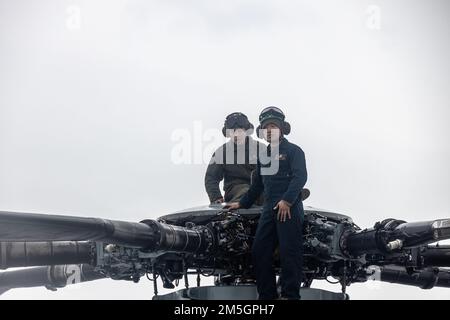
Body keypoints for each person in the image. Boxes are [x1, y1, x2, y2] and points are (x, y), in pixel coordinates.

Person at [226, 107, 307, 300]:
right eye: (265, 127)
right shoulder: (263, 156)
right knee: (259, 251)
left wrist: (287, 201)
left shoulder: (294, 151)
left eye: (273, 126)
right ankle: (267, 297)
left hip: (289, 208)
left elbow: (300, 177)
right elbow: (257, 186)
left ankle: (290, 295)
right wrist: (241, 204)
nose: (269, 130)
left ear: (281, 128)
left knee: (290, 252)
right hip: (269, 209)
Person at [205, 112, 265, 204]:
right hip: (235, 191)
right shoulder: (221, 152)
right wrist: (216, 197)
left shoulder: (261, 149)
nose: (236, 135)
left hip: (261, 190)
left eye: (240, 131)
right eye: (233, 132)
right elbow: (211, 177)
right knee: (245, 192)